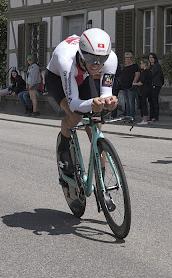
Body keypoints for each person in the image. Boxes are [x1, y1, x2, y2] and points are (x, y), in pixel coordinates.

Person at [46, 28, 118, 178]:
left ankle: (101, 182)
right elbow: (73, 103)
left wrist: (108, 101)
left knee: (96, 123)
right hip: (57, 78)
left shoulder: (111, 59)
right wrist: (93, 103)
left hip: (83, 77)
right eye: (91, 58)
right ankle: (64, 147)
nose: (96, 64)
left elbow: (106, 92)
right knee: (74, 115)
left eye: (101, 59)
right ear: (81, 53)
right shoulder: (65, 59)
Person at [120, 51, 140, 119]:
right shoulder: (125, 67)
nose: (126, 59)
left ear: (131, 58)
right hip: (124, 86)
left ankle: (131, 116)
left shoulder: (134, 66)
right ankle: (127, 115)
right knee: (126, 102)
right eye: (125, 58)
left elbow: (137, 74)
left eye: (128, 58)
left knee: (131, 102)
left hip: (130, 86)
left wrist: (134, 82)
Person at [134, 58, 152, 125]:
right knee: (144, 104)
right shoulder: (149, 72)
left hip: (143, 90)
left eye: (141, 63)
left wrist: (135, 84)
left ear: (145, 64)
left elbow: (141, 82)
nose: (140, 65)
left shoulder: (144, 72)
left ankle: (144, 120)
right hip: (147, 89)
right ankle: (144, 120)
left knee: (143, 105)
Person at [148, 52, 163, 122]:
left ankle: (155, 117)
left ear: (155, 59)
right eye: (150, 58)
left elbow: (151, 74)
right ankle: (151, 116)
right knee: (150, 101)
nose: (151, 59)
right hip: (150, 85)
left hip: (155, 85)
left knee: (154, 101)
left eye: (152, 58)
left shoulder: (156, 66)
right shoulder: (149, 66)